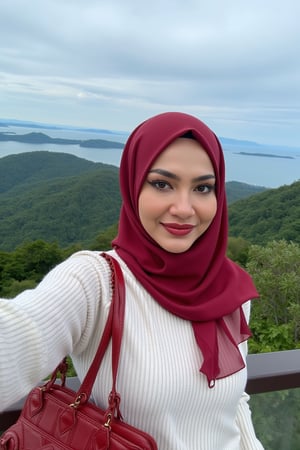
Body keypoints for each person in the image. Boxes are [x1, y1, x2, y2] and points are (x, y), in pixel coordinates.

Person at [0, 112, 264, 449]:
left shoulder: (231, 290)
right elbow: (18, 333)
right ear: (132, 184)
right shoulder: (97, 282)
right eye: (162, 183)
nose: (184, 208)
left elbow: (234, 403)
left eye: (202, 187)